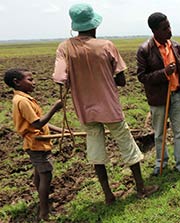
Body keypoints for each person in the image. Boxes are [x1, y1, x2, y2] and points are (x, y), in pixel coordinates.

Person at [52, 3, 159, 203]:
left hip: (85, 110)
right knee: (127, 145)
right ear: (94, 24)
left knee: (96, 152)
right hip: (109, 108)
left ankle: (109, 196)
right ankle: (141, 188)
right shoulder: (106, 46)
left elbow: (59, 77)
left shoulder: (64, 47)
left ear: (75, 25)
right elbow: (121, 80)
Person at [136, 12, 180, 180]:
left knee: (179, 132)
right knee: (160, 133)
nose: (170, 31)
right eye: (165, 28)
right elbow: (142, 77)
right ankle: (161, 162)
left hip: (177, 96)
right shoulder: (145, 50)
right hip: (159, 98)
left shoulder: (176, 47)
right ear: (154, 31)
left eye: (169, 26)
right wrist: (164, 73)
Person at [3, 68, 63, 220]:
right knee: (46, 175)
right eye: (30, 80)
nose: (34, 83)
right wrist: (55, 108)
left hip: (36, 143)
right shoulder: (22, 101)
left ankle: (44, 206)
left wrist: (62, 131)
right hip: (36, 144)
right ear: (17, 82)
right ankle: (45, 212)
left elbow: (40, 123)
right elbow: (38, 124)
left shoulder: (23, 99)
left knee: (39, 175)